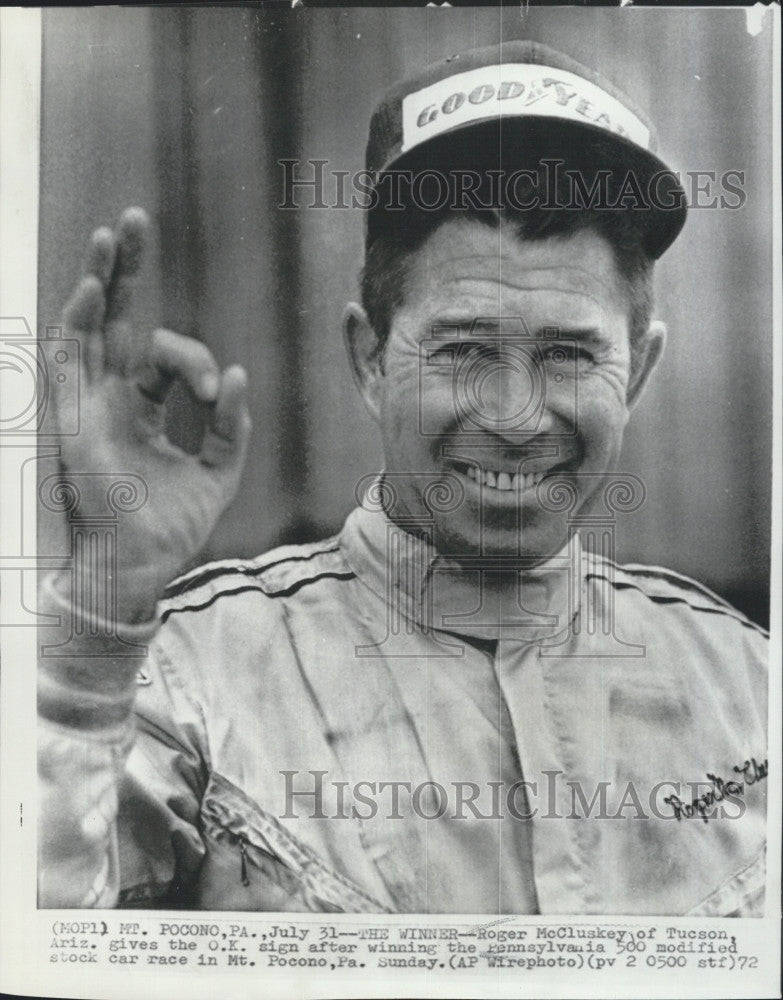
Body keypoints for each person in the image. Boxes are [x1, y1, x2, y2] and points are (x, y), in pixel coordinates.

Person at [38, 41, 767, 915]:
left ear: (638, 373)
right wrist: (98, 612)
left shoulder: (750, 684)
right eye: (462, 350)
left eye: (569, 355)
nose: (513, 416)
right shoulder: (184, 681)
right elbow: (38, 932)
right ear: (370, 358)